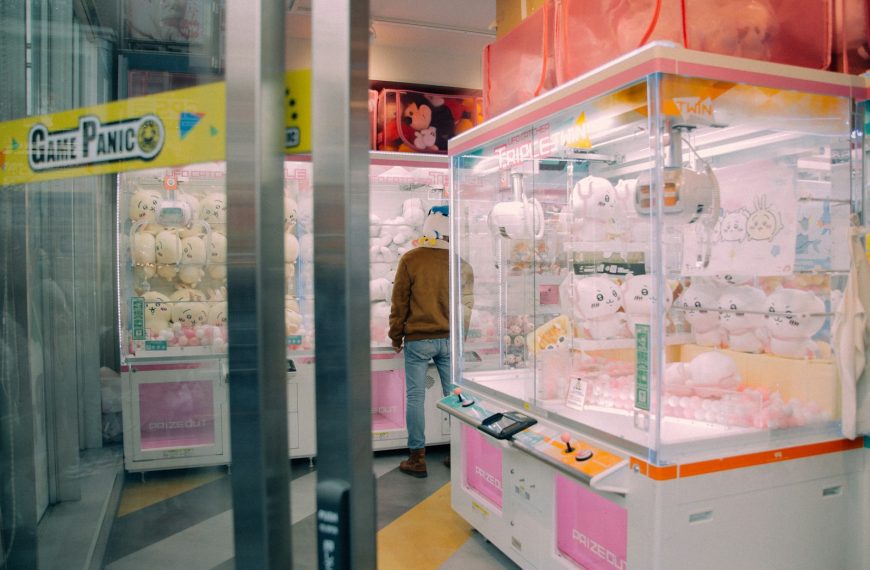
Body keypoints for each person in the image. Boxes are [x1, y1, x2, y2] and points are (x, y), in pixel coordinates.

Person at [389, 206, 473, 478]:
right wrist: (461, 336)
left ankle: (417, 457)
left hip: (418, 339)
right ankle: (458, 451)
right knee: (456, 396)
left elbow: (399, 302)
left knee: (415, 397)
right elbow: (467, 305)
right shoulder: (460, 263)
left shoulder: (410, 260)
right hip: (449, 339)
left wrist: (395, 335)